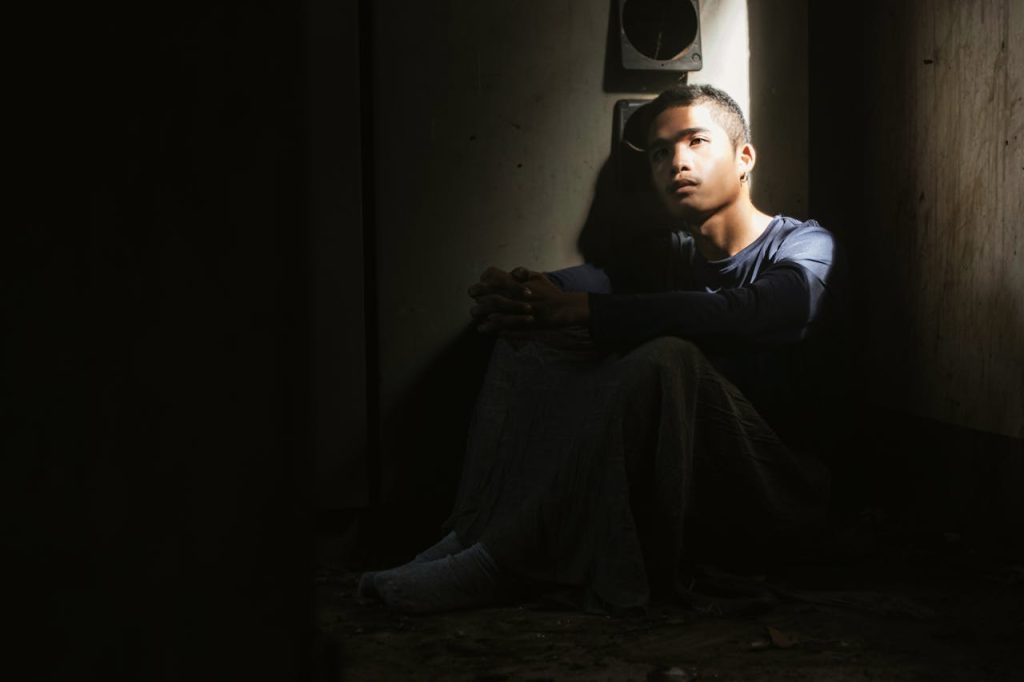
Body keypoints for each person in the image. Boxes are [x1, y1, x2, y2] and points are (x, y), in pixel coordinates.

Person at [358, 84, 844, 614]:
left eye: (696, 141)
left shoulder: (804, 246)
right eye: (660, 152)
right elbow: (588, 284)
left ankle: (500, 566)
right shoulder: (665, 256)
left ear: (744, 157)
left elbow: (771, 309)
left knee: (669, 356)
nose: (676, 162)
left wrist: (586, 311)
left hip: (777, 493)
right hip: (689, 492)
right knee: (531, 330)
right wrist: (525, 291)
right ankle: (473, 534)